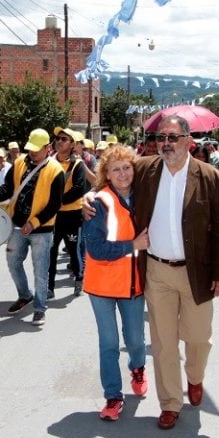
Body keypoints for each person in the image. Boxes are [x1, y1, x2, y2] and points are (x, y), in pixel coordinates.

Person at [87, 115, 219, 429]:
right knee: (164, 342)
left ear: (188, 140)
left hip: (196, 271)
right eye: (161, 138)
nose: (166, 143)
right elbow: (113, 178)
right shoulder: (146, 170)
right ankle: (170, 403)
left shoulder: (210, 177)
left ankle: (195, 376)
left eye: (173, 137)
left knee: (198, 337)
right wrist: (89, 199)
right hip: (156, 270)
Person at [82, 146, 149, 421]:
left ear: (135, 169)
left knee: (135, 340)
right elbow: (96, 248)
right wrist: (132, 245)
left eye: (127, 167)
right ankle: (113, 395)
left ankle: (138, 368)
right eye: (115, 169)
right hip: (101, 286)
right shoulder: (99, 202)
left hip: (133, 284)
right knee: (108, 343)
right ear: (106, 174)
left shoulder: (147, 198)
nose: (122, 174)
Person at [0, 128, 65, 326]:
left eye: (37, 149)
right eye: (30, 149)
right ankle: (25, 295)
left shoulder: (56, 171)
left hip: (41, 231)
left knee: (40, 270)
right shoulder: (19, 163)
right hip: (17, 226)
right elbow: (7, 189)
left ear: (47, 148)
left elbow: (54, 205)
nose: (32, 153)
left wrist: (34, 223)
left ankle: (39, 307)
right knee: (13, 262)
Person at [48, 127, 87, 298]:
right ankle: (49, 287)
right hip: (53, 216)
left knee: (73, 249)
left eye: (64, 139)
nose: (59, 141)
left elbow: (79, 189)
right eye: (58, 138)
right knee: (51, 251)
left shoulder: (78, 164)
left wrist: (57, 201)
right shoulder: (49, 162)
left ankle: (79, 278)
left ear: (72, 144)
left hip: (72, 215)